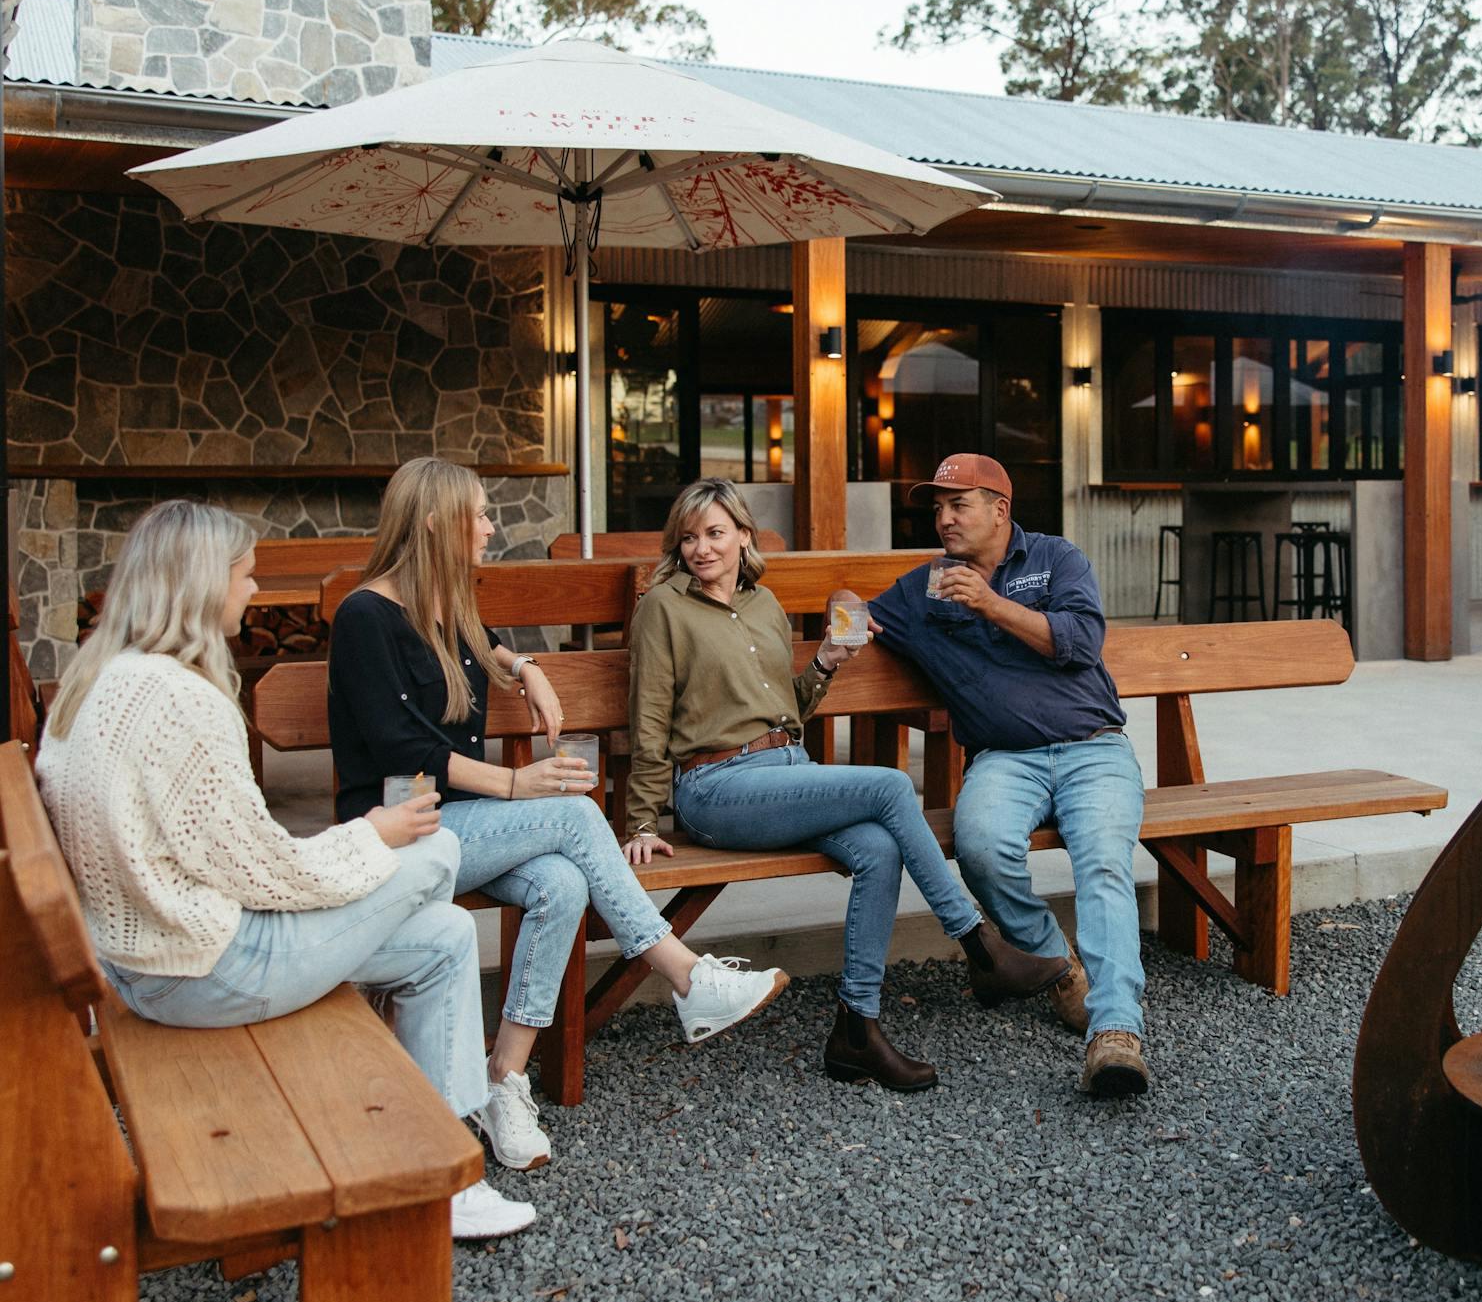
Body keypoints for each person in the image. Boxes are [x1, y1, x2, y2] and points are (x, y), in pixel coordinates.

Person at [35, 500, 535, 1241]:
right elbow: (268, 874)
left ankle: (443, 1161)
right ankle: (400, 1132)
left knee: (445, 935)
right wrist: (373, 834)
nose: (252, 591)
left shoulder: (93, 680)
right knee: (436, 851)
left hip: (141, 960)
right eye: (245, 575)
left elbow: (237, 864)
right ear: (201, 586)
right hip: (209, 967)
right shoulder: (181, 700)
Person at [328, 458, 785, 1174]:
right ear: (433, 523)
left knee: (561, 886)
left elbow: (482, 645)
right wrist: (516, 785)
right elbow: (399, 748)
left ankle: (503, 1082)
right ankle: (687, 977)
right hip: (396, 829)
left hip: (460, 824)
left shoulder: (447, 605)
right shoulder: (364, 615)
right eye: (478, 514)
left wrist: (525, 669)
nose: (489, 527)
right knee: (571, 815)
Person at [623, 477, 1069, 1092]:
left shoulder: (763, 606)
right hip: (714, 787)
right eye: (690, 536)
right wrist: (642, 819)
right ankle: (980, 946)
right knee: (889, 787)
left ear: (744, 537)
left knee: (880, 849)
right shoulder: (663, 606)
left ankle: (857, 1029)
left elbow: (787, 710)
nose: (702, 548)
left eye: (716, 533)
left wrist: (827, 660)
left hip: (786, 771)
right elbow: (647, 719)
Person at [868, 454, 1150, 1098]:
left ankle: (1115, 1031)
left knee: (1103, 861)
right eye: (936, 508)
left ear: (1000, 508)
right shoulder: (929, 585)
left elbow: (1080, 643)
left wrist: (992, 605)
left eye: (957, 505)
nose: (943, 519)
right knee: (981, 847)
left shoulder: (1056, 559)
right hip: (1003, 758)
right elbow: (868, 612)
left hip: (1093, 748)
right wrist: (840, 606)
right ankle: (1058, 968)